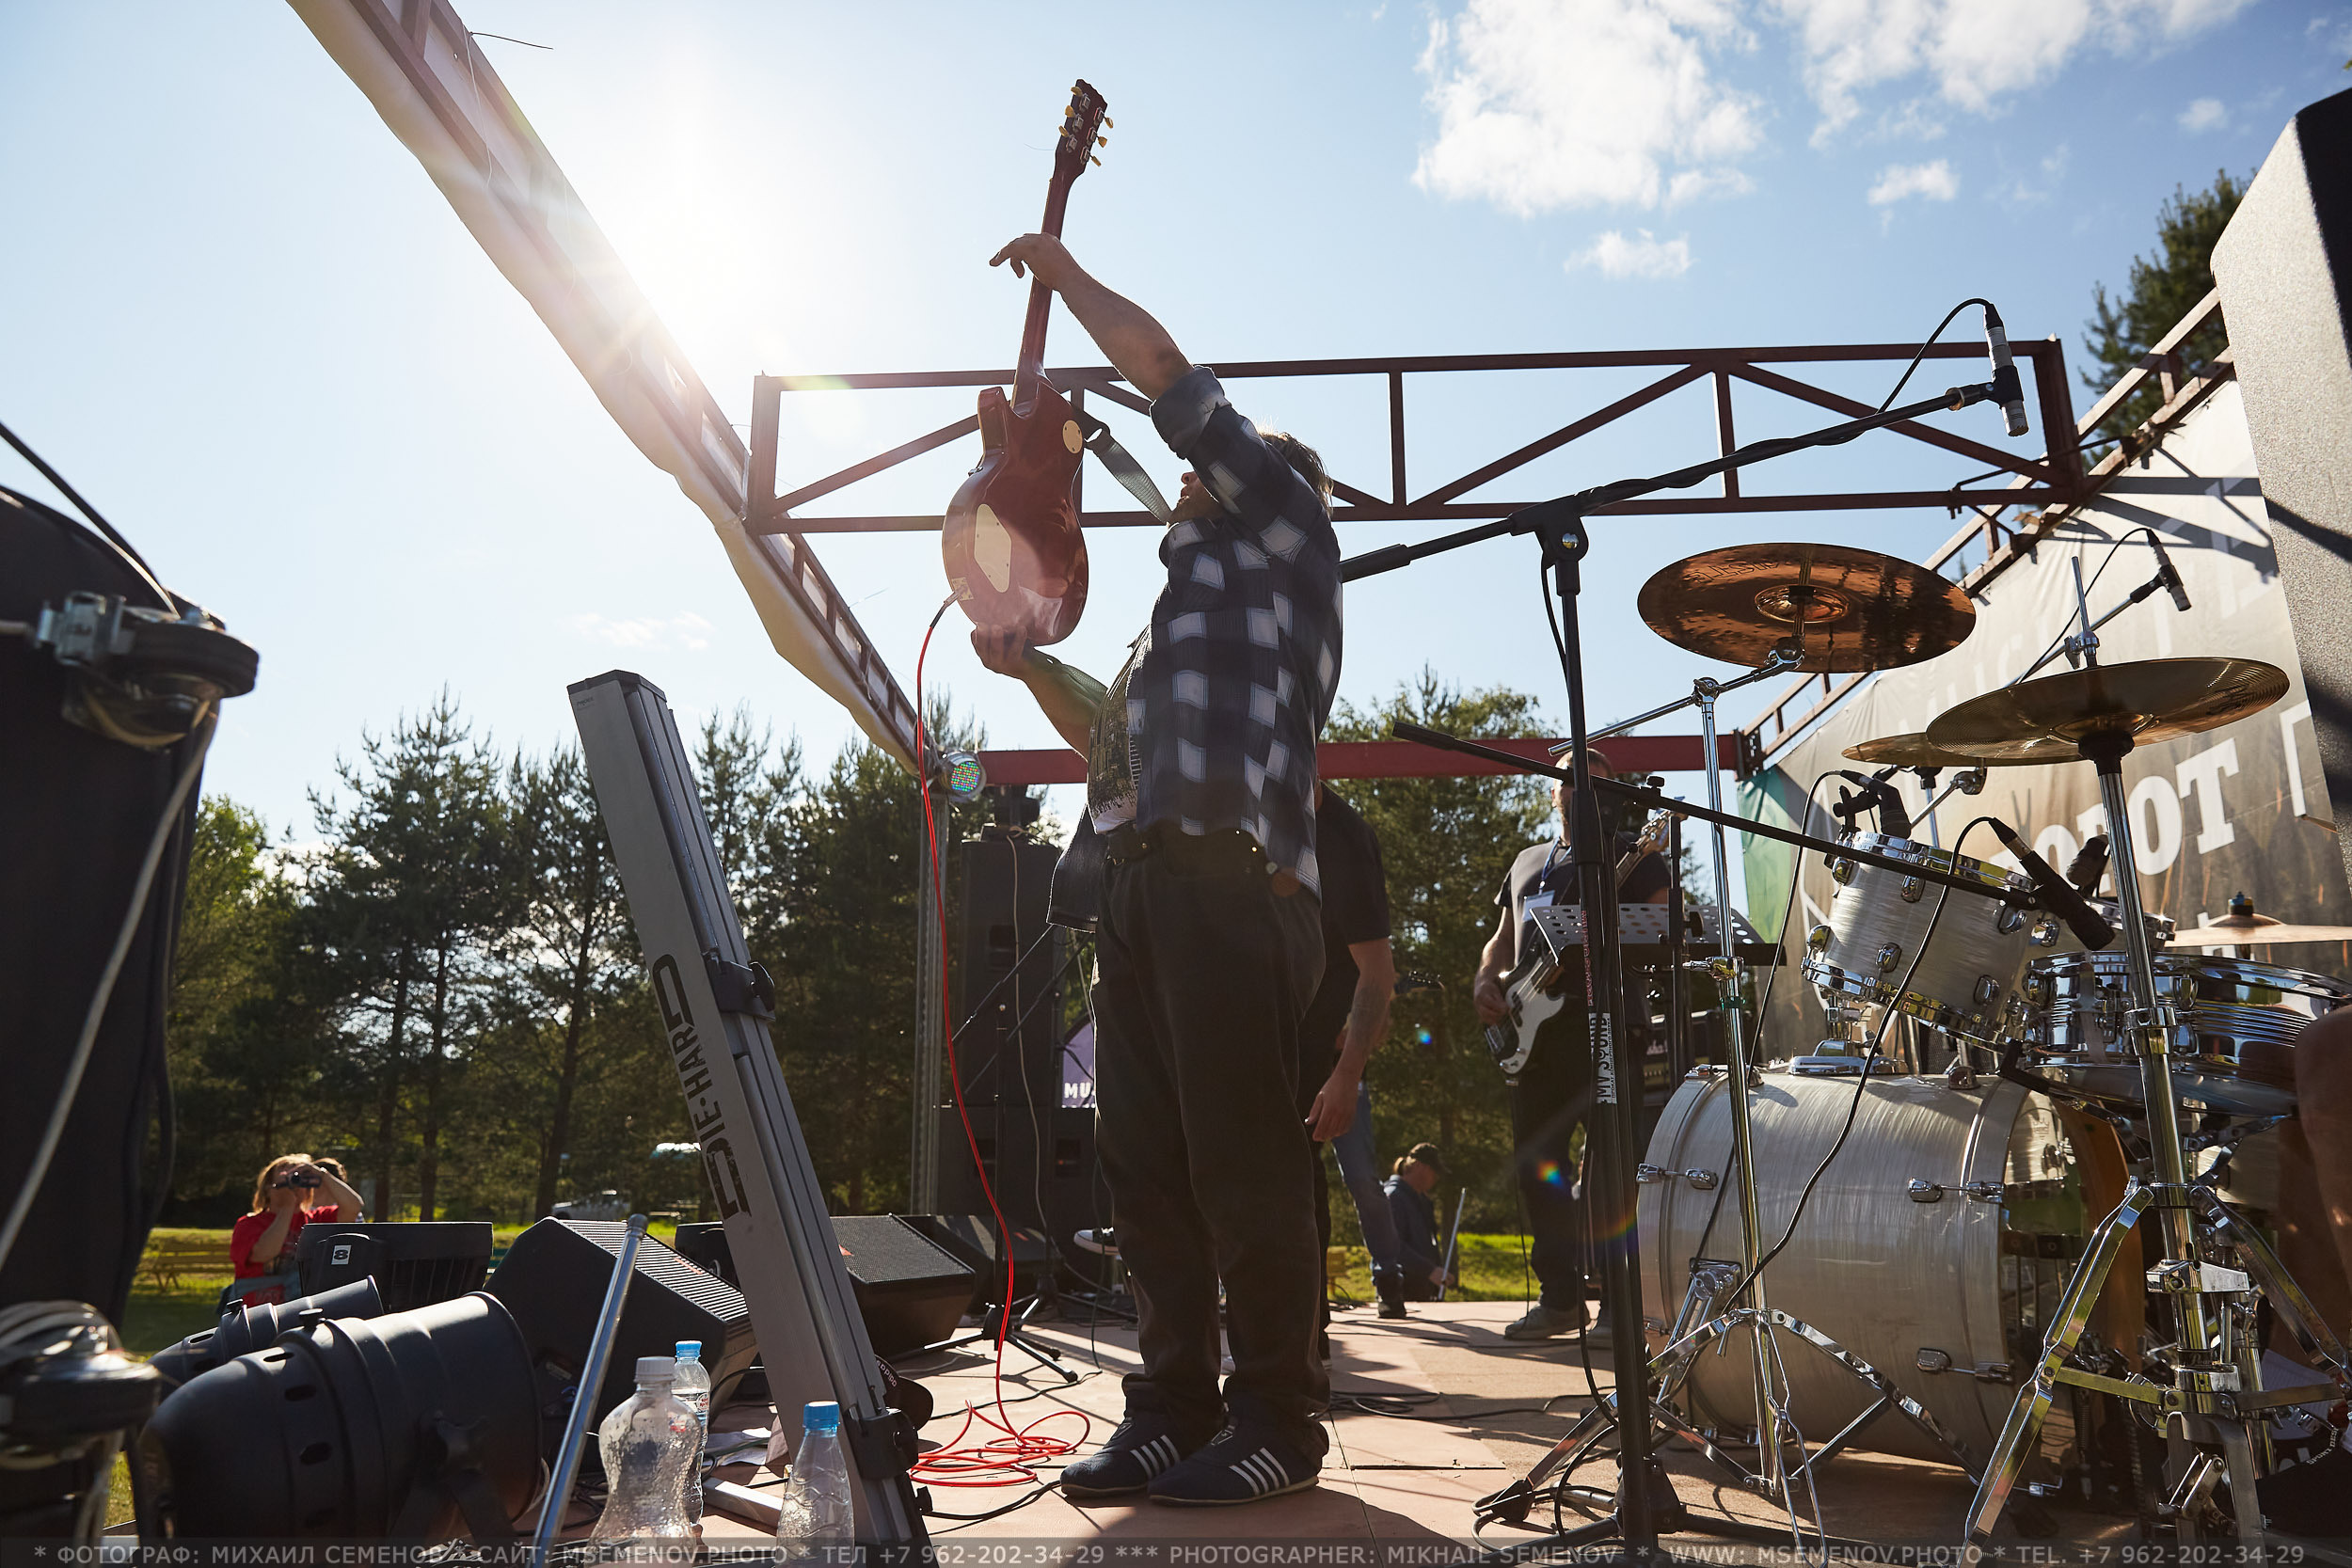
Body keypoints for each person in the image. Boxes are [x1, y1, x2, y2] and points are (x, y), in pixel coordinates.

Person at [970, 231, 1341, 1507]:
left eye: (1205, 472)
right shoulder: (1170, 623)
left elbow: (1172, 376)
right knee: (1145, 1171)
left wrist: (1065, 277)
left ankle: (1281, 1417)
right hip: (1133, 892)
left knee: (1243, 1164)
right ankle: (1173, 1409)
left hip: (1234, 884)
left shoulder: (1286, 534)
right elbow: (1108, 737)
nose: (1182, 480)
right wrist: (1028, 662)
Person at [1472, 759, 1670, 1342]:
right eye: (1568, 777)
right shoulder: (1527, 861)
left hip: (1607, 1023)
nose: (1579, 787)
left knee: (1612, 1166)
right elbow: (1502, 941)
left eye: (1595, 778)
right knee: (1540, 1167)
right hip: (1535, 1037)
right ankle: (1559, 1299)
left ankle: (1619, 1306)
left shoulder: (1634, 852)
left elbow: (1662, 927)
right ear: (1553, 792)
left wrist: (1586, 933)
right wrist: (1485, 978)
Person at [1293, 784, 1406, 1333]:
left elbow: (1378, 973)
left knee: (1349, 1181)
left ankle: (1312, 1331)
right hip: (1265, 1035)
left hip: (1327, 1056)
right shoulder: (1246, 813)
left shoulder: (1343, 836)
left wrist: (1346, 1074)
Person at [229, 1153, 367, 1297]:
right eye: (284, 1171)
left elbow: (354, 1206)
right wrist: (287, 1208)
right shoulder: (248, 1224)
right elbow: (264, 1254)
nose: (294, 1185)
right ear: (268, 1189)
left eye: (299, 1177)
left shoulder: (316, 1219)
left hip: (303, 1304)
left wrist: (321, 1174)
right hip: (259, 1305)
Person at [1380, 1144, 1454, 1301]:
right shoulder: (1394, 1198)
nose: (1436, 1177)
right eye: (1433, 1170)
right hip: (1401, 1294)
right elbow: (1391, 1246)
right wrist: (1429, 1270)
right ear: (1418, 1166)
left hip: (1423, 1293)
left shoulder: (1421, 1201)